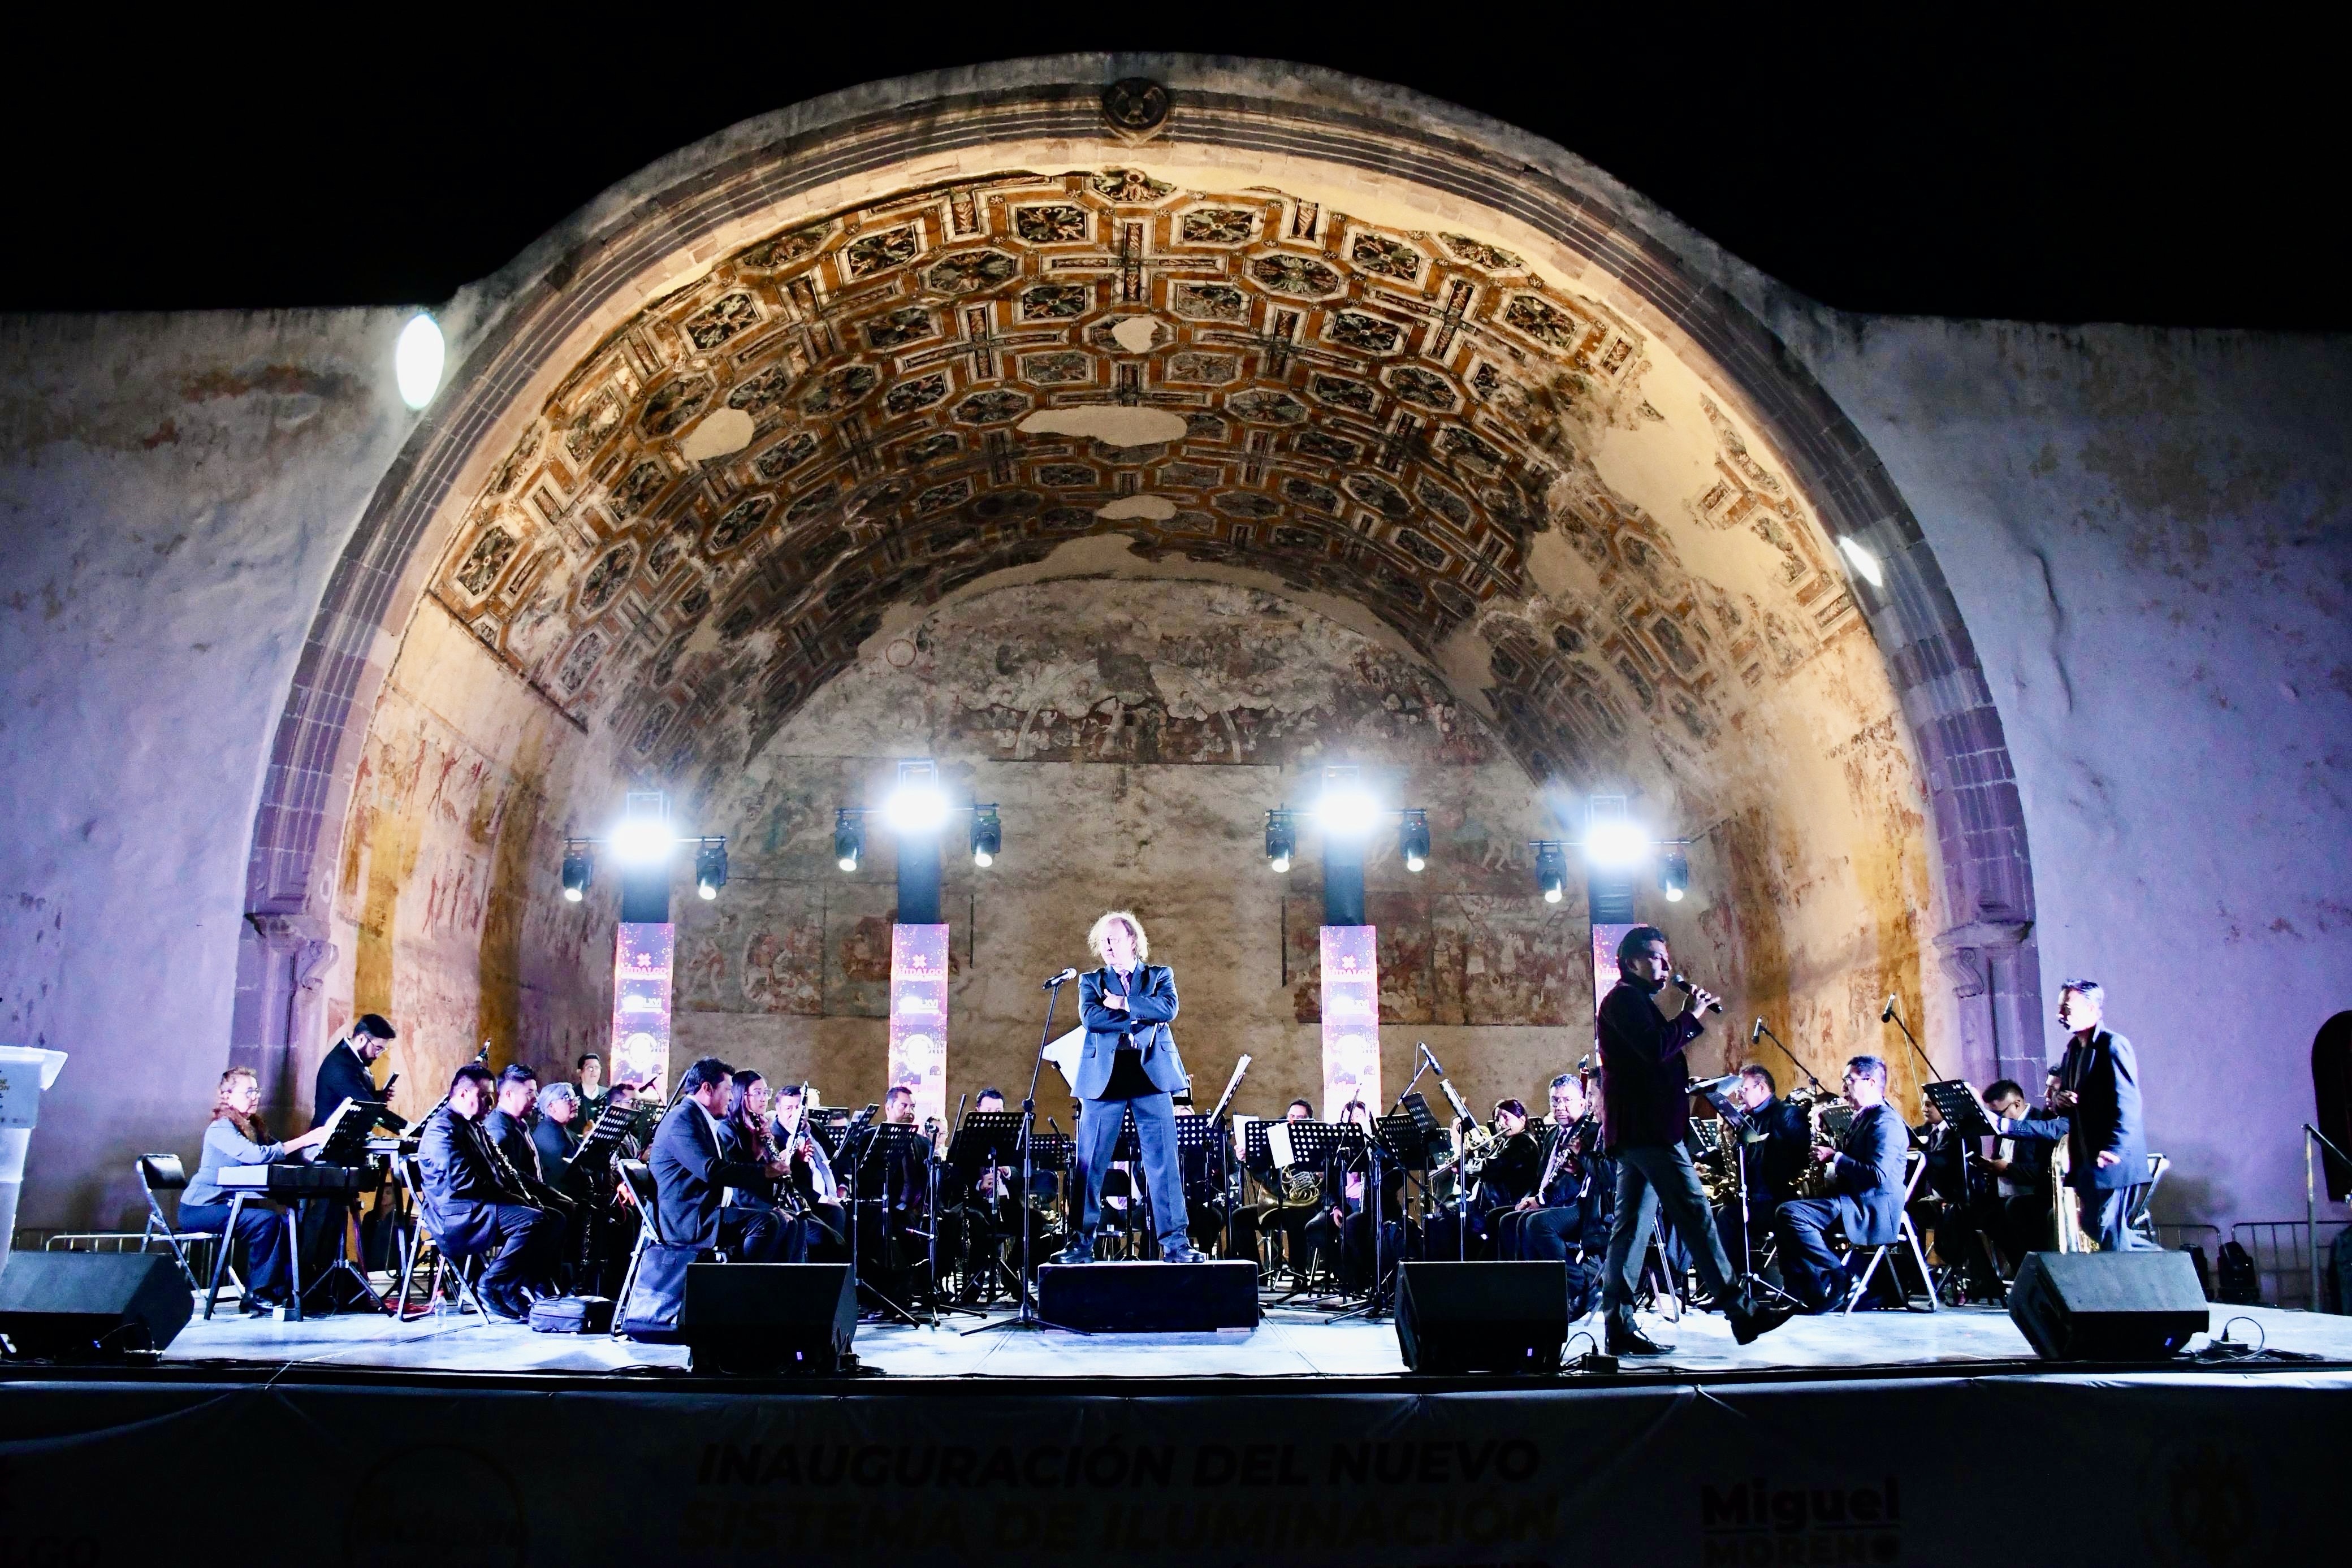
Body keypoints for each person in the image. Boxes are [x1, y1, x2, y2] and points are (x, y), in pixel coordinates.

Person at [1597, 925, 1786, 1354]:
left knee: (1631, 1228)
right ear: (1631, 962)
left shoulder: (1634, 1001)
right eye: (1656, 957)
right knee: (1695, 1213)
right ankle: (1742, 1312)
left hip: (1639, 1131)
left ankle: (1619, 1327)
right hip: (1650, 1132)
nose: (1666, 966)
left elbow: (1649, 1060)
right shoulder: (1624, 1000)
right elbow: (1653, 1049)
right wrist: (1691, 1015)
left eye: (1666, 958)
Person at [1058, 910, 1201, 1264]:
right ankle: (1080, 1244)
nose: (1107, 946)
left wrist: (1123, 1003)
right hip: (1104, 1079)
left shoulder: (1159, 975)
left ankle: (1176, 1244)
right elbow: (1091, 1018)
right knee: (1090, 1163)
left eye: (1114, 939)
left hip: (1150, 1074)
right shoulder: (1091, 981)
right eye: (1103, 941)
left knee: (1163, 1161)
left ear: (1133, 941)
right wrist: (1140, 1016)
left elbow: (1168, 1009)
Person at [1986, 981, 2148, 1250]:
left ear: (2092, 1009)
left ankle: (2157, 1269)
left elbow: (2128, 1104)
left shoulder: (2113, 1046)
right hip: (2086, 1158)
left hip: (2112, 1159)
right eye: (2060, 1008)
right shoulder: (2073, 1050)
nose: (2060, 1014)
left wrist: (2115, 1148)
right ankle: (2164, 1262)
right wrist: (2062, 1101)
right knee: (2095, 1227)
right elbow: (2071, 1105)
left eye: (2067, 1008)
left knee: (2108, 1230)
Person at [416, 1063, 563, 1321]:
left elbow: (503, 1171)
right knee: (533, 1221)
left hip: (479, 1206)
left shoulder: (474, 1124)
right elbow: (463, 1182)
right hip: (458, 1215)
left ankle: (520, 1284)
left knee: (555, 1218)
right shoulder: (442, 1129)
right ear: (463, 1094)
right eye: (484, 1096)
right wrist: (513, 1197)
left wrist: (527, 1195)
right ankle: (493, 1283)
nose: (490, 1103)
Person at [179, 1066, 332, 1313]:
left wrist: (318, 1151)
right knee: (266, 1222)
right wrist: (305, 1140)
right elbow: (258, 1156)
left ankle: (285, 1293)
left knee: (288, 1224)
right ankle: (257, 1294)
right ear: (227, 1096)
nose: (255, 1097)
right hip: (202, 1208)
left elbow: (282, 1153)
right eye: (248, 1092)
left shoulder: (254, 1126)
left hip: (231, 1206)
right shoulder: (221, 1128)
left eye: (257, 1091)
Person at [1773, 1056, 1910, 1312]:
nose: (1844, 1087)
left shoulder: (1886, 1122)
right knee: (1785, 1212)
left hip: (1870, 1208)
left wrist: (1835, 1157)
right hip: (1851, 1200)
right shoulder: (1864, 1117)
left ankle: (1839, 1274)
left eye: (1850, 1080)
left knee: (1790, 1213)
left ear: (1871, 1083)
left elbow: (1877, 1175)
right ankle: (1806, 1291)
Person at [650, 1058, 792, 1263]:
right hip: (688, 1219)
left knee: (782, 1219)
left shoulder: (701, 1119)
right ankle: (738, 1280)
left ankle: (765, 1281)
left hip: (706, 1211)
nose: (731, 1098)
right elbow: (710, 1170)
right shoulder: (681, 1120)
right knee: (766, 1222)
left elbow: (725, 1168)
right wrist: (765, 1171)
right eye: (728, 1090)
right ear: (707, 1089)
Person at [1495, 1077, 1605, 1311]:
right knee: (1506, 1220)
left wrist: (1542, 1201)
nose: (1560, 1107)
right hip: (1552, 1199)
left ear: (1582, 1103)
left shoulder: (1589, 1133)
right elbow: (1540, 1177)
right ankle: (1521, 1286)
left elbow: (1576, 1182)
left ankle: (1574, 1284)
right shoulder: (1553, 1134)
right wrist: (1530, 1198)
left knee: (1535, 1222)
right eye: (1555, 1101)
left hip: (1576, 1204)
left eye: (1567, 1100)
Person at [1974, 1078, 2053, 1265]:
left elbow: (2044, 1171)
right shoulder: (2001, 1128)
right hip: (2003, 1198)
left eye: (1998, 1114)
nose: (1996, 1120)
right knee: (1973, 1213)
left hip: (2033, 1200)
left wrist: (2008, 1169)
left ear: (2017, 1104)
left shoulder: (2042, 1124)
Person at [313, 1013, 403, 1132]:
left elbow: (355, 1097)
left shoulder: (353, 1058)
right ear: (361, 1039)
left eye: (382, 1050)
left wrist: (380, 1096)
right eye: (377, 1048)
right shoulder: (341, 1065)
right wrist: (409, 1129)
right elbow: (369, 1109)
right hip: (326, 1140)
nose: (378, 1055)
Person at [576, 1052, 609, 1123]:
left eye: (597, 1068)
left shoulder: (608, 1094)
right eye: (590, 1068)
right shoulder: (572, 1094)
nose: (594, 1072)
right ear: (580, 1072)